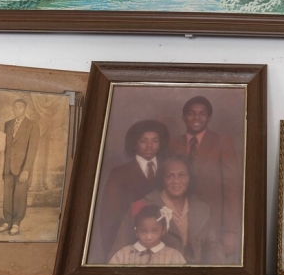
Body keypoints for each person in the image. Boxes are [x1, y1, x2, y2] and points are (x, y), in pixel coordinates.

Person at [110, 156, 225, 265]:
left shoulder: (202, 208)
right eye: (170, 176)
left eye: (182, 175)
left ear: (190, 178)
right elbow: (118, 251)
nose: (176, 181)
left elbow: (213, 247)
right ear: (162, 179)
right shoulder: (141, 205)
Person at [168, 96, 242, 263]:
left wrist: (231, 231)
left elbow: (232, 187)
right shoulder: (173, 144)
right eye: (191, 113)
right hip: (180, 219)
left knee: (211, 267)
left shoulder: (222, 142)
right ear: (184, 117)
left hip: (213, 222)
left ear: (209, 117)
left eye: (202, 114)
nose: (196, 118)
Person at [98, 120, 169, 256]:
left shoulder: (168, 170)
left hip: (166, 242)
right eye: (143, 141)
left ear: (160, 144)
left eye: (155, 141)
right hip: (130, 241)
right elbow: (110, 216)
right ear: (134, 144)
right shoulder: (119, 173)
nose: (149, 146)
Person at [0, 99, 40, 237]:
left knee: (19, 196)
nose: (17, 109)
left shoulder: (32, 125)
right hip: (8, 167)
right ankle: (7, 221)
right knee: (7, 195)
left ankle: (16, 223)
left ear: (25, 109)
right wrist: (2, 168)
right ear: (13, 109)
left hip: (22, 168)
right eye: (15, 107)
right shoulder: (8, 124)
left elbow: (32, 149)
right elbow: (5, 147)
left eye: (20, 107)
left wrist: (26, 170)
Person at [108, 203, 187, 265]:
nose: (149, 237)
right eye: (143, 231)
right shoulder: (123, 254)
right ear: (136, 232)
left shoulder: (174, 256)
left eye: (154, 231)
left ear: (163, 231)